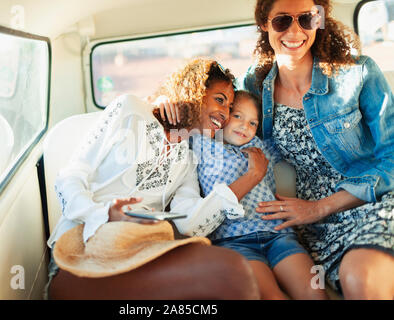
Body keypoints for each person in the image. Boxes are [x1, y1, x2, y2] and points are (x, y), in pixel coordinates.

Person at [45, 58, 265, 300]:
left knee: (233, 273)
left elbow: (190, 224)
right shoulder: (130, 110)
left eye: (230, 106)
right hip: (84, 243)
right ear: (195, 91)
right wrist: (103, 214)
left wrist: (252, 177)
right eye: (220, 100)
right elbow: (71, 175)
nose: (224, 113)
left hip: (140, 248)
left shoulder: (188, 160)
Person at [240, 0, 394, 299]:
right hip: (318, 227)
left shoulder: (358, 73)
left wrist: (320, 207)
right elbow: (214, 115)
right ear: (264, 23)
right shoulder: (256, 85)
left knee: (359, 278)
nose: (295, 31)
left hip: (376, 203)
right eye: (282, 21)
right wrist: (172, 108)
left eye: (307, 19)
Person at [190, 90, 327, 299]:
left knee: (314, 291)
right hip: (234, 240)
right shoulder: (203, 143)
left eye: (253, 123)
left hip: (278, 234)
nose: (245, 126)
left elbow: (295, 138)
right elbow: (178, 116)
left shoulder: (260, 146)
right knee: (270, 296)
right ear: (224, 116)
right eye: (237, 116)